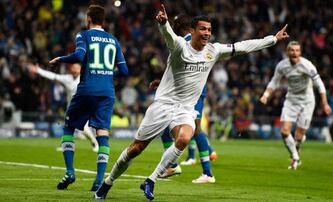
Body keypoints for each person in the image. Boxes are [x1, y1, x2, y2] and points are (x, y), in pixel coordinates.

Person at [95, 4, 288, 200]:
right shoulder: (180, 47)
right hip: (163, 105)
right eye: (203, 29)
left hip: (185, 109)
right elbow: (169, 36)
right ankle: (107, 183)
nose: (207, 33)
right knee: (136, 149)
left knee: (185, 138)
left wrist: (273, 39)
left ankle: (151, 180)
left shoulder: (214, 51)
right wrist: (164, 24)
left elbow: (244, 46)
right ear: (193, 31)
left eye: (209, 30)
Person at [49, 5, 128, 191]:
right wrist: (106, 74)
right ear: (104, 20)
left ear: (89, 18)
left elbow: (78, 56)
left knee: (68, 127)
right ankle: (100, 180)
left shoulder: (83, 35)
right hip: (107, 92)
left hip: (87, 89)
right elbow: (124, 71)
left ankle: (70, 172)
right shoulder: (113, 40)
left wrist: (59, 59)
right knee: (102, 133)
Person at [150, 14, 218, 183]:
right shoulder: (188, 42)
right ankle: (174, 164)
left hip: (191, 95)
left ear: (177, 27)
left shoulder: (186, 42)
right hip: (188, 92)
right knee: (169, 126)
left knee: (195, 128)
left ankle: (207, 172)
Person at [260, 41, 332, 169]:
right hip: (291, 100)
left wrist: (325, 103)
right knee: (284, 131)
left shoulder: (307, 65)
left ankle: (297, 146)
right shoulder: (282, 66)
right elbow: (274, 81)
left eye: (297, 50)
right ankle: (295, 157)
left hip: (307, 101)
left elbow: (320, 84)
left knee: (299, 135)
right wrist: (266, 95)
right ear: (287, 52)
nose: (295, 53)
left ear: (300, 52)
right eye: (292, 50)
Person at [28, 63, 99, 153]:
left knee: (83, 128)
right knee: (68, 128)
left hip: (83, 107)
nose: (75, 70)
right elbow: (53, 76)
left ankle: (95, 143)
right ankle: (67, 146)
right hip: (71, 108)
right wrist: (38, 71)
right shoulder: (67, 78)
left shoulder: (86, 78)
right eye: (73, 68)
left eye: (77, 68)